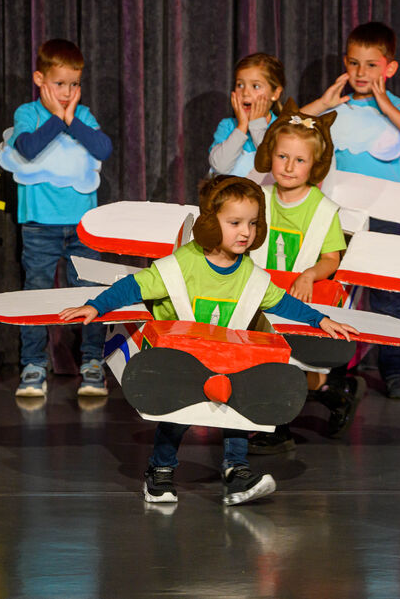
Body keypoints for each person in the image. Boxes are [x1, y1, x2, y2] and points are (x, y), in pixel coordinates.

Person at [59, 175, 359, 506]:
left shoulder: (249, 273)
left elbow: (282, 301)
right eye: (235, 223)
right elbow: (134, 286)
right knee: (177, 417)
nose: (246, 232)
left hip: (226, 358)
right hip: (180, 359)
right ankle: (160, 470)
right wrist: (96, 305)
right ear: (211, 223)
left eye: (253, 223)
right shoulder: (182, 266)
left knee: (239, 410)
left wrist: (320, 319)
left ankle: (236, 471)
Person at [303, 21, 400, 401]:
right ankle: (330, 368)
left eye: (371, 65)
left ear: (389, 68)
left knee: (387, 297)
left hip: (384, 218)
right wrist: (323, 104)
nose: (361, 72)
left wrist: (386, 105)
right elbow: (286, 129)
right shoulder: (337, 107)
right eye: (354, 63)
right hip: (337, 218)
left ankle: (395, 369)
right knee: (335, 291)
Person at [0, 39, 112, 398]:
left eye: (74, 84)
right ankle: (33, 364)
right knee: (36, 293)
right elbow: (27, 148)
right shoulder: (27, 114)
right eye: (59, 83)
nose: (67, 92)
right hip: (39, 226)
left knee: (90, 293)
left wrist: (71, 119)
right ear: (40, 80)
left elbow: (103, 148)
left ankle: (92, 362)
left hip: (82, 226)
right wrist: (57, 119)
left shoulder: (83, 115)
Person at [245, 99, 346, 452]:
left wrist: (308, 274)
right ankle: (279, 423)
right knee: (268, 361)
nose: (289, 167)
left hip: (299, 297)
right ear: (270, 155)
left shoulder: (323, 209)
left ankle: (288, 422)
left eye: (299, 160)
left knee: (296, 366)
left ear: (315, 165)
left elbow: (332, 258)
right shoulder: (259, 197)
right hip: (261, 294)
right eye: (282, 156)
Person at [208, 52, 285, 176]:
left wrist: (256, 125)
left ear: (275, 93)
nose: (245, 93)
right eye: (240, 85)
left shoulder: (283, 128)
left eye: (255, 86)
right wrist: (242, 127)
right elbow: (220, 167)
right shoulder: (227, 126)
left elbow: (276, 167)